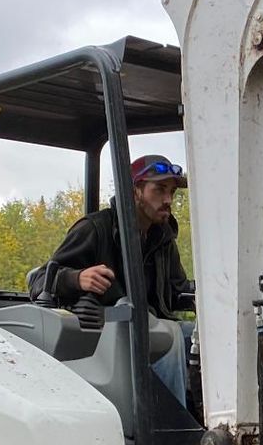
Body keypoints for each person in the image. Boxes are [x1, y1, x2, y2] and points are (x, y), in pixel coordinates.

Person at [29, 153, 196, 405]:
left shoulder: (162, 239)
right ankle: (170, 433)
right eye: (159, 190)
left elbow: (176, 291)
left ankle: (205, 420)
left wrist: (211, 295)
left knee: (201, 337)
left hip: (148, 327)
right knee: (169, 336)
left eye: (172, 192)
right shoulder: (95, 228)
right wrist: (77, 279)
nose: (168, 200)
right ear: (135, 191)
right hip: (105, 332)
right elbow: (39, 280)